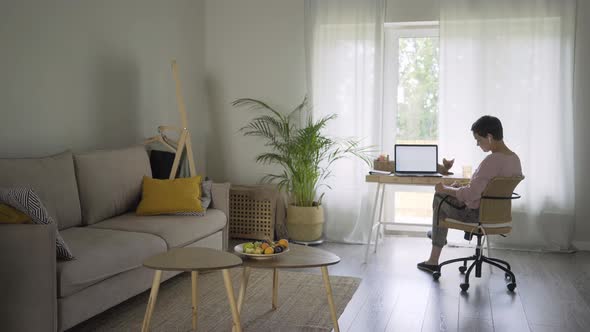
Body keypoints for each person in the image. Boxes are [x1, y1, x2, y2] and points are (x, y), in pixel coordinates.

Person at [417, 115, 523, 273]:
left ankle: (433, 257)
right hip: (498, 216)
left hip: (476, 215)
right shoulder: (515, 159)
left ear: (489, 136)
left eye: (479, 140)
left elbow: (469, 195)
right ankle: (437, 233)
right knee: (451, 193)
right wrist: (459, 187)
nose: (477, 144)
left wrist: (445, 189)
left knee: (439, 197)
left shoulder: (491, 161)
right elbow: (486, 189)